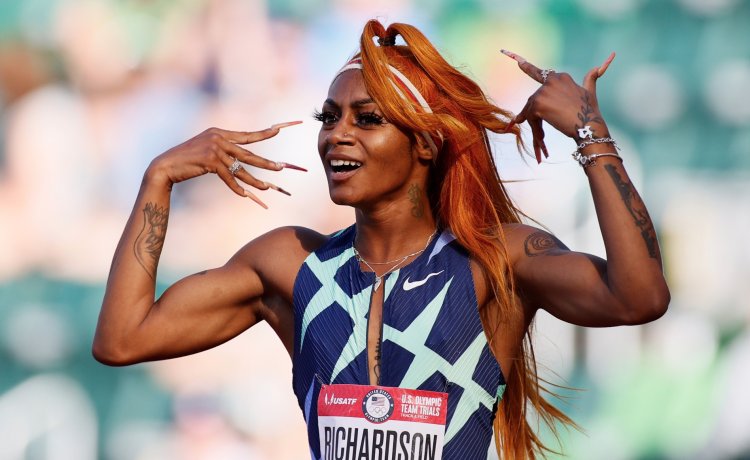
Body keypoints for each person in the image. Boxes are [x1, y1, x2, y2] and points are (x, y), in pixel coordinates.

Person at [93, 19, 669, 459]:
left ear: (425, 144)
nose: (337, 135)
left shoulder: (494, 258)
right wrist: (157, 179)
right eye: (329, 117)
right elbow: (122, 340)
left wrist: (591, 133)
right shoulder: (292, 264)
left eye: (367, 119)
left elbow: (639, 297)